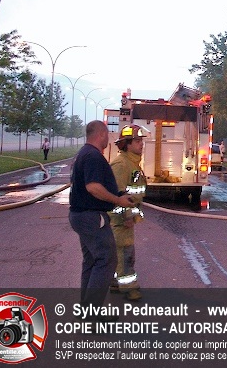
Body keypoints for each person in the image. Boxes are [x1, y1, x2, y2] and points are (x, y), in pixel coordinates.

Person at [69, 120, 133, 313]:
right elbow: (93, 187)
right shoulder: (93, 156)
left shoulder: (84, 153)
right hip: (91, 217)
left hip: (82, 216)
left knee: (91, 261)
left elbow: (91, 186)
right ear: (102, 134)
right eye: (107, 134)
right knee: (107, 259)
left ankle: (87, 311)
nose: (108, 139)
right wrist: (117, 200)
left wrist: (118, 194)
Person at [108, 125, 147, 301]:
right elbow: (118, 194)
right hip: (120, 219)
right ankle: (130, 288)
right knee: (126, 254)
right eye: (137, 141)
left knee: (120, 252)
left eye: (141, 141)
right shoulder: (121, 164)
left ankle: (115, 282)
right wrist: (127, 215)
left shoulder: (132, 162)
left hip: (125, 218)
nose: (141, 144)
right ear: (127, 144)